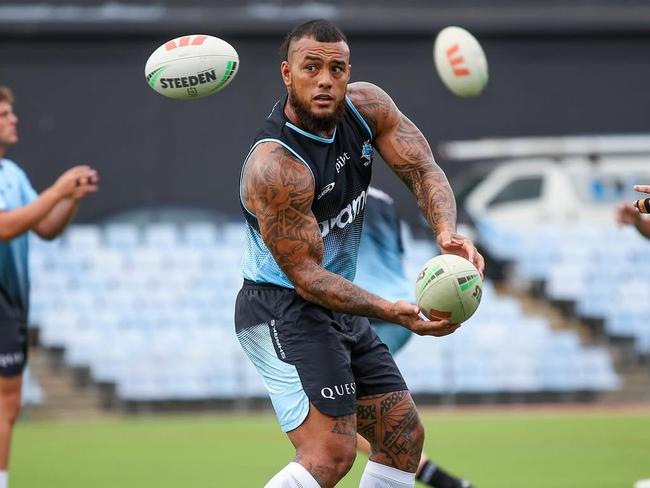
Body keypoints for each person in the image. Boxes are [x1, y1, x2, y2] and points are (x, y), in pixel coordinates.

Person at [235, 20, 484, 488]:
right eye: (312, 68)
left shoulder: (367, 108)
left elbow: (423, 169)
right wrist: (390, 309)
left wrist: (448, 233)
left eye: (337, 68)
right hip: (280, 307)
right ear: (288, 74)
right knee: (330, 454)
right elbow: (306, 276)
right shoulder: (277, 167)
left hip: (334, 309)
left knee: (403, 437)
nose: (326, 79)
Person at [0, 86, 98, 488]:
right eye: (4, 114)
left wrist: (70, 199)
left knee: (9, 404)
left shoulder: (11, 173)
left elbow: (43, 228)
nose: (14, 119)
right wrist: (56, 190)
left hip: (12, 303)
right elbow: (5, 227)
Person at [354, 187, 472, 488]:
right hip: (403, 309)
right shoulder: (385, 200)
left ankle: (439, 479)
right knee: (356, 416)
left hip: (364, 309)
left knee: (337, 420)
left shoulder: (330, 191)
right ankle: (440, 479)